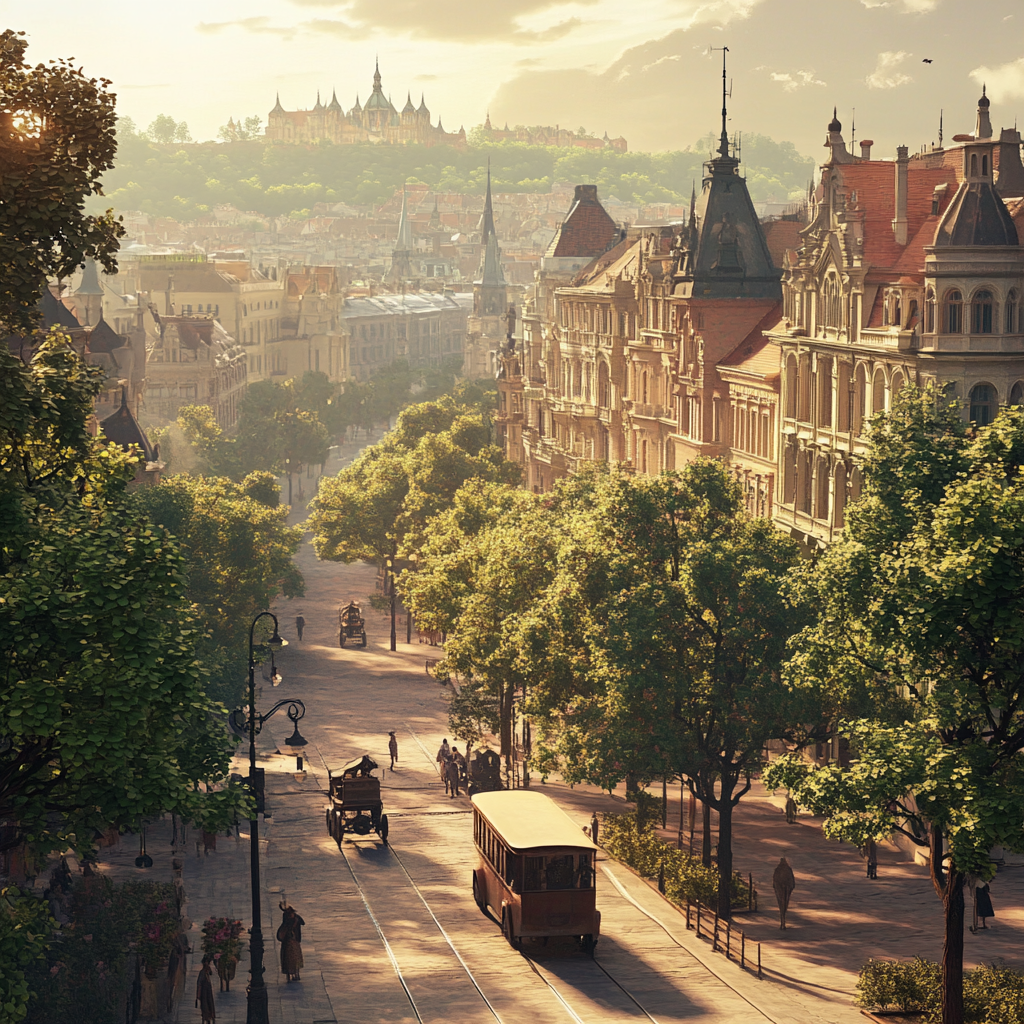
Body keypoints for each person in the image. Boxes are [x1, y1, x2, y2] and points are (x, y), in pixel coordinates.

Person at [277, 903, 305, 981]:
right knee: (289, 959)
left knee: (295, 958)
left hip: (294, 941)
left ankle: (296, 974)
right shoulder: (286, 923)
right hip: (288, 943)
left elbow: (303, 922)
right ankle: (290, 974)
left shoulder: (296, 919)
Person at [773, 856, 796, 930]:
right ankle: (783, 921)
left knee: (781, 904)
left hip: (781, 890)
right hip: (785, 890)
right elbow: (792, 882)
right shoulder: (788, 870)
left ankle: (783, 921)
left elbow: (774, 882)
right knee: (784, 904)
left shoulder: (777, 870)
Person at [195, 955, 216, 1023]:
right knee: (205, 1005)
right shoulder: (202, 972)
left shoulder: (206, 972)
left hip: (208, 991)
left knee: (210, 1004)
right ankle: (206, 1017)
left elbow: (211, 973)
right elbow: (199, 983)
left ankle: (210, 1017)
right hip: (204, 992)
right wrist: (198, 994)